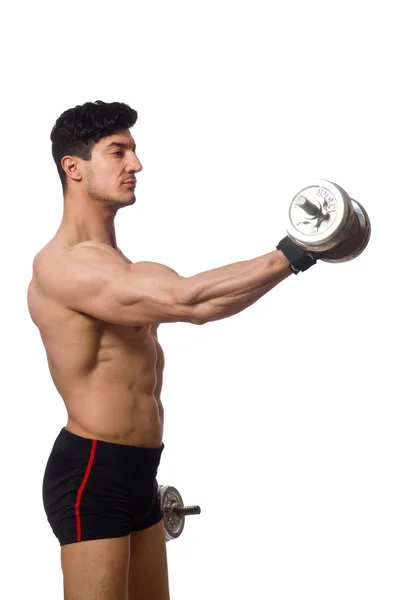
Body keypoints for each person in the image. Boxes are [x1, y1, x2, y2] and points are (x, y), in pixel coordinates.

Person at [27, 100, 318, 600]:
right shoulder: (65, 267)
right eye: (117, 152)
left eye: (134, 152)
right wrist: (290, 249)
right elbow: (186, 298)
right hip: (92, 475)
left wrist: (302, 256)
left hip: (139, 471)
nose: (135, 165)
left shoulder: (120, 266)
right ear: (72, 167)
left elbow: (201, 306)